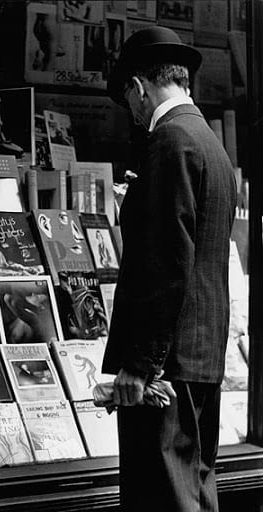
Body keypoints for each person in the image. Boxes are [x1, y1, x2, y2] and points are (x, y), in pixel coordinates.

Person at [101, 26, 237, 511]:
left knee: (162, 498)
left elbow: (166, 265)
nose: (134, 114)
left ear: (139, 87)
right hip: (200, 359)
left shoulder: (170, 142)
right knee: (194, 490)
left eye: (129, 100)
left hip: (165, 368)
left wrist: (139, 365)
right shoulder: (211, 145)